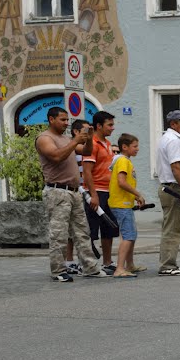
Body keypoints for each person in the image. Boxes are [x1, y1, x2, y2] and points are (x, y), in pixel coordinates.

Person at [35, 107, 104, 281]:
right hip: (57, 191)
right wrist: (75, 141)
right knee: (59, 234)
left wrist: (87, 139)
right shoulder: (45, 138)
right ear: (51, 119)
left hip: (74, 192)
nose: (66, 123)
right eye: (63, 120)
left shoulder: (65, 138)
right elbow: (56, 157)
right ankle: (58, 271)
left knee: (82, 232)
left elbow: (87, 152)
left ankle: (90, 267)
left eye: (67, 120)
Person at [156, 110, 180, 275]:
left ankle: (169, 263)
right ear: (173, 124)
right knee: (173, 228)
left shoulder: (169, 139)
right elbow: (176, 167)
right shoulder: (173, 141)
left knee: (172, 226)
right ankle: (167, 265)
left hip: (172, 187)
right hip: (175, 188)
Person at [82, 110, 119, 274]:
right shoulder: (92, 144)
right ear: (99, 126)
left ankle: (107, 261)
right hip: (96, 191)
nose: (113, 128)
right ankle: (89, 265)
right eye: (109, 125)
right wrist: (93, 195)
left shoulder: (109, 144)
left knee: (108, 227)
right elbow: (87, 171)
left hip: (109, 191)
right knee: (91, 229)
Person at [107, 133, 144, 278]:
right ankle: (120, 268)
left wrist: (134, 196)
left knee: (131, 234)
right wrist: (138, 194)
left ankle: (130, 265)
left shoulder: (125, 161)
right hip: (121, 204)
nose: (137, 149)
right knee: (128, 235)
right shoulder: (122, 161)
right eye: (135, 146)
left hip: (125, 203)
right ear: (125, 147)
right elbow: (121, 182)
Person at [65, 119, 91, 276]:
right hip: (75, 190)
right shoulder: (71, 145)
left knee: (82, 229)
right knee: (69, 230)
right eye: (86, 130)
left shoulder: (84, 145)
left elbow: (88, 151)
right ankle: (69, 261)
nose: (88, 133)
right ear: (76, 132)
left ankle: (82, 260)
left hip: (84, 192)